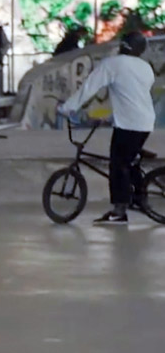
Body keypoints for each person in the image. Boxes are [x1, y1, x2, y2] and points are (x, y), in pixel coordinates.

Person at [58, 31, 156, 225]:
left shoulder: (113, 64)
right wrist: (112, 116)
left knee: (118, 164)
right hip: (145, 122)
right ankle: (139, 197)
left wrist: (68, 108)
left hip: (128, 124)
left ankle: (119, 211)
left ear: (123, 46)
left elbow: (89, 88)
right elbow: (132, 94)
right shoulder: (146, 67)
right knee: (129, 161)